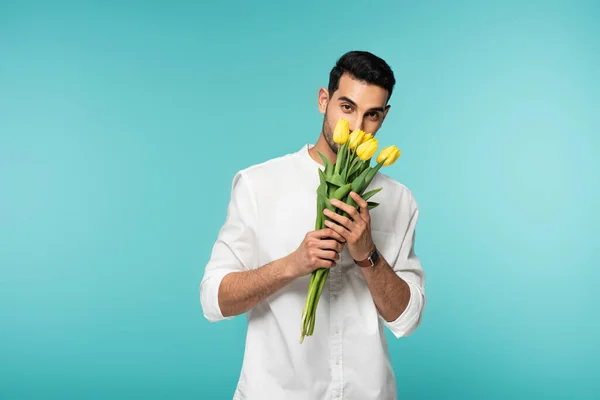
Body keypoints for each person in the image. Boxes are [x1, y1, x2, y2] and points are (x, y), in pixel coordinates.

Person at [200, 50, 426, 400]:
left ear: (384, 118)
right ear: (324, 100)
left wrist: (367, 252)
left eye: (372, 115)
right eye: (346, 108)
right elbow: (214, 300)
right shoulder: (259, 185)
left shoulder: (399, 200)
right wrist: (292, 265)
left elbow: (406, 320)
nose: (355, 127)